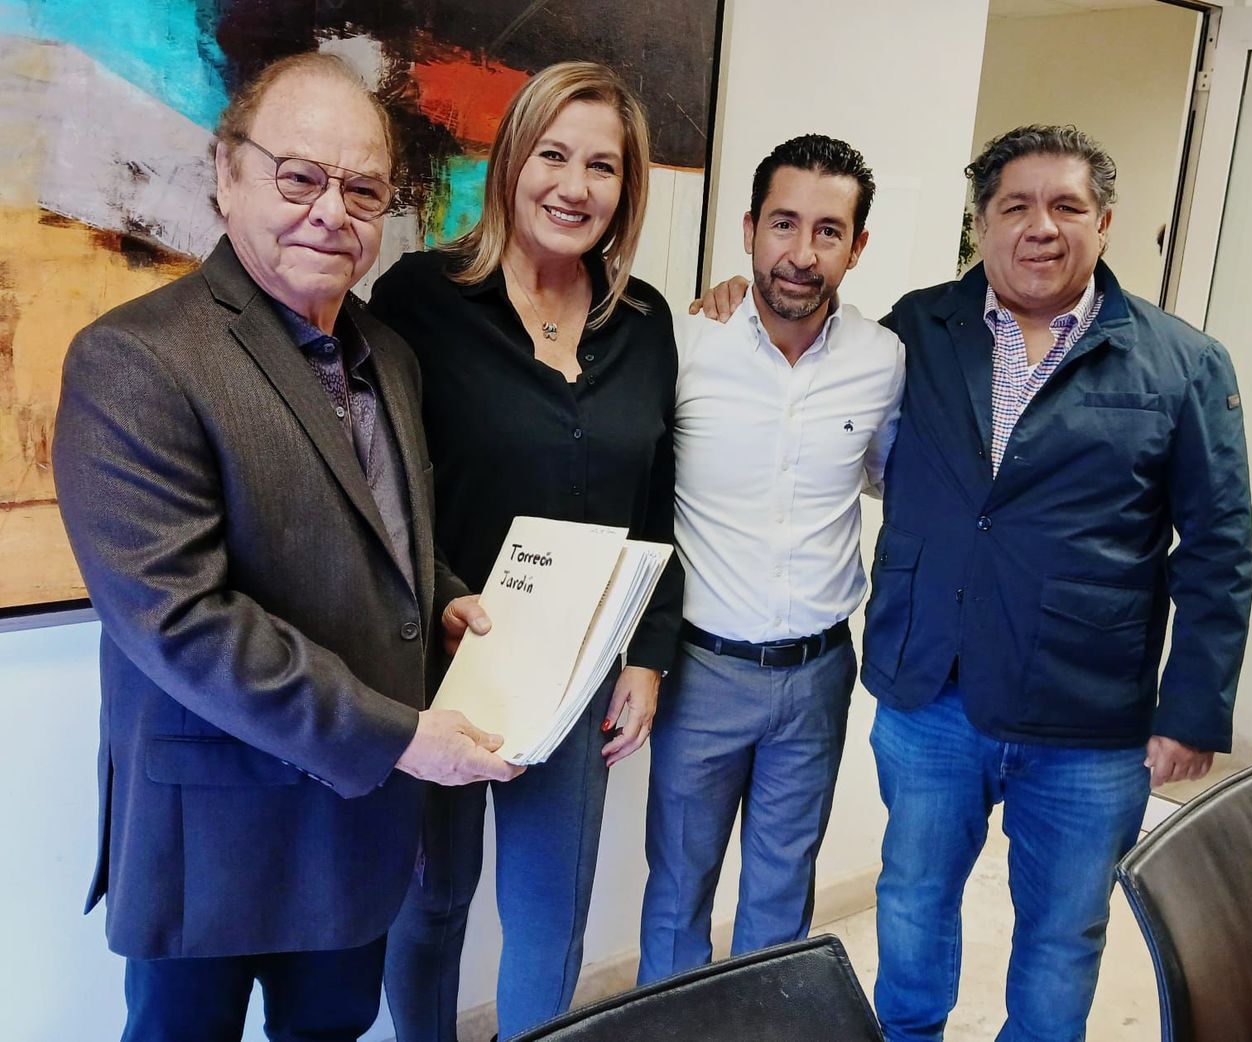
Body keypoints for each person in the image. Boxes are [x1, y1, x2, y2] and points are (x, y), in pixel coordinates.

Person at [694, 123, 1252, 1040]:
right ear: (982, 222)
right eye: (1015, 206)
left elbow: (1219, 546)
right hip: (933, 696)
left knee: (1063, 936)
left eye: (1066, 206)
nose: (1041, 227)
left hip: (1088, 716)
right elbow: (810, 334)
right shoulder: (918, 329)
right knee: (912, 902)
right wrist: (731, 301)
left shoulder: (1182, 364)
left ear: (1105, 223)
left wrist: (1192, 711)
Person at [52, 52, 520, 1042]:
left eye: (363, 190)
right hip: (211, 835)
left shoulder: (389, 357)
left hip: (352, 828)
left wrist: (439, 590)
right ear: (227, 173)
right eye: (299, 177)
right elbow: (181, 620)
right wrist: (398, 736)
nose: (331, 213)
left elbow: (380, 529)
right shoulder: (134, 357)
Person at [368, 62, 683, 1041]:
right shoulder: (422, 297)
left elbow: (657, 498)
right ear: (511, 160)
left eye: (602, 166)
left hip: (576, 674)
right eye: (552, 154)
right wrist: (436, 596)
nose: (573, 185)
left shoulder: (644, 322)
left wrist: (647, 653)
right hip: (441, 666)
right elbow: (379, 483)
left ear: (626, 187)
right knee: (431, 902)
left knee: (550, 919)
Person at [636, 134, 905, 985]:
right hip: (700, 672)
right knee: (677, 893)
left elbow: (889, 478)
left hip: (818, 674)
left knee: (783, 901)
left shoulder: (883, 361)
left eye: (829, 231)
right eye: (784, 224)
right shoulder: (686, 344)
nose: (801, 253)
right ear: (750, 229)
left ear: (857, 246)